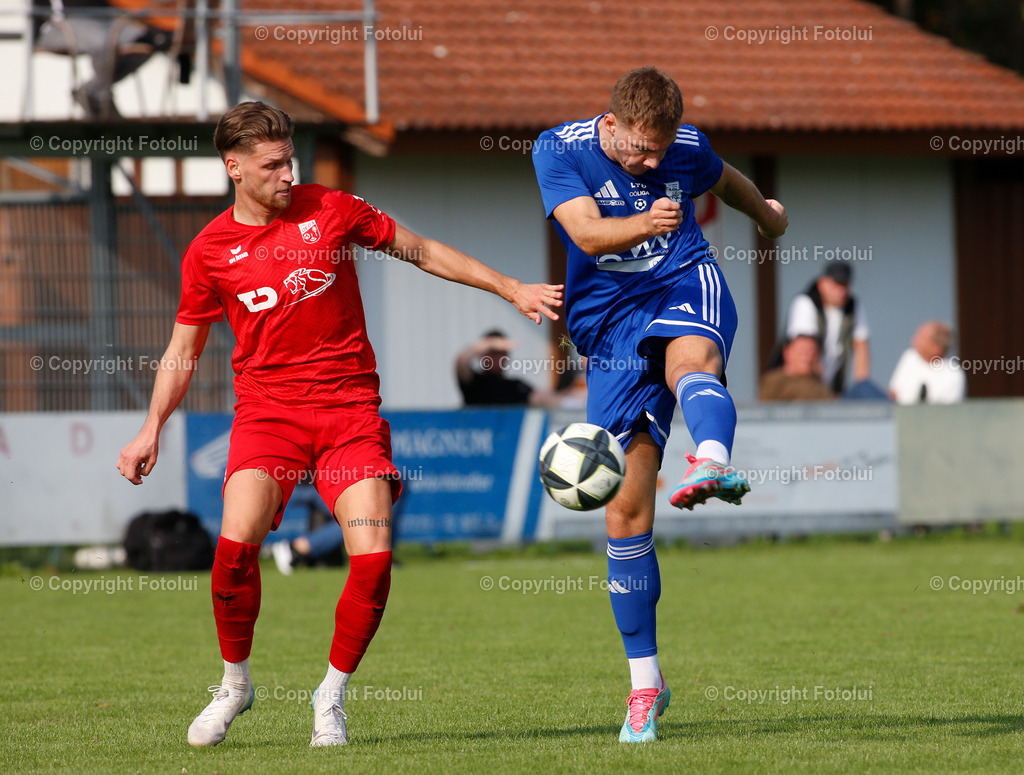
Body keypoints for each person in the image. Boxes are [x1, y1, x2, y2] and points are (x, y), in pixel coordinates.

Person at [116, 101, 562, 749]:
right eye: (272, 165)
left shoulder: (332, 209)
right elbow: (183, 348)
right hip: (268, 416)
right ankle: (235, 683)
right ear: (234, 168)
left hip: (349, 413)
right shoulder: (210, 251)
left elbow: (421, 249)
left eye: (290, 159)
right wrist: (151, 425)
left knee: (374, 558)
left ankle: (331, 695)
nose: (286, 174)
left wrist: (509, 287)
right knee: (234, 548)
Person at [531, 66, 787, 743]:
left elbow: (724, 179)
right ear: (610, 125)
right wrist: (647, 215)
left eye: (659, 151)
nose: (651, 162)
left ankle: (710, 461)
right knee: (625, 508)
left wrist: (766, 214)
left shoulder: (685, 148)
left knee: (691, 361)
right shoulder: (558, 149)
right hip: (608, 327)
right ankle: (646, 685)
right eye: (639, 150)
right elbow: (585, 235)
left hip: (682, 279)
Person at [784, 262, 881, 396]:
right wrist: (822, 392)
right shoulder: (806, 303)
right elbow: (807, 350)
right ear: (822, 284)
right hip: (806, 386)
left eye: (845, 285)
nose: (840, 291)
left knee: (865, 391)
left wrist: (860, 383)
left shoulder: (852, 307)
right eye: (836, 284)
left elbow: (861, 348)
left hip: (833, 388)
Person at [454, 329, 567, 406]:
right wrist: (489, 343)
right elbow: (461, 361)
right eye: (493, 352)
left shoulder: (515, 386)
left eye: (502, 353)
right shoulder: (473, 382)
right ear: (482, 355)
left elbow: (544, 399)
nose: (498, 357)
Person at [889, 321, 966, 404]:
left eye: (921, 339)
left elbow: (950, 412)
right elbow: (893, 393)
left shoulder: (953, 374)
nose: (913, 341)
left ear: (937, 348)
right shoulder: (909, 357)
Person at [759, 335, 835, 402]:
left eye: (812, 353)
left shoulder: (818, 384)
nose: (808, 358)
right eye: (803, 352)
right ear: (786, 352)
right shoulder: (773, 382)